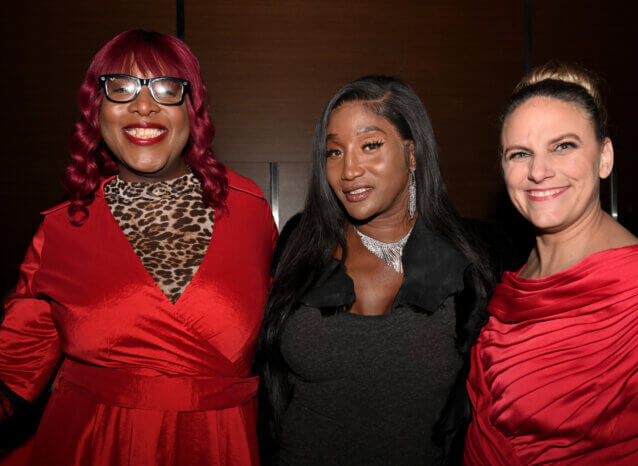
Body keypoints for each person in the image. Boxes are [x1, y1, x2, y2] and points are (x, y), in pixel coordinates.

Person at [0, 30, 277, 466]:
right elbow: (12, 373)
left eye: (167, 88)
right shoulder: (59, 229)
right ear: (97, 109)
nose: (143, 106)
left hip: (219, 448)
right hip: (88, 448)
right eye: (121, 87)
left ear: (192, 108)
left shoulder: (251, 211)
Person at [464, 62, 638, 465]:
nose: (538, 172)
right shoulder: (513, 284)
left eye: (564, 146)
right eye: (520, 154)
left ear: (604, 157)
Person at [257, 76, 494, 465]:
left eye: (370, 145)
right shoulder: (300, 247)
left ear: (412, 154)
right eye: (334, 152)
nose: (349, 170)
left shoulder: (466, 264)